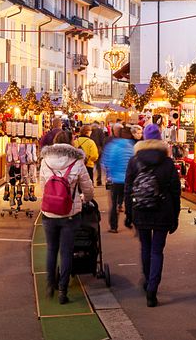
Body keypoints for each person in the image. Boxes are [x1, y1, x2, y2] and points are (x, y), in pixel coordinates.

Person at [124, 123, 180, 307]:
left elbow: (128, 188)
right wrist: (175, 215)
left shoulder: (135, 160)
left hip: (141, 210)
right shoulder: (167, 162)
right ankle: (152, 290)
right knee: (157, 251)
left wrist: (129, 213)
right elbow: (175, 191)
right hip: (163, 211)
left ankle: (147, 280)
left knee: (145, 248)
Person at [39, 130, 94, 304]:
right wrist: (87, 199)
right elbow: (87, 187)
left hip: (49, 212)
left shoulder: (45, 161)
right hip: (70, 213)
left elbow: (42, 185)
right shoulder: (77, 161)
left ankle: (50, 284)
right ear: (71, 142)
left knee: (51, 249)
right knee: (66, 251)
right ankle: (63, 290)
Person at [102, 125, 135, 233]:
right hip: (129, 179)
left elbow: (106, 162)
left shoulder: (113, 146)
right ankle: (131, 220)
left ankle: (113, 226)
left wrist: (108, 174)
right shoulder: (132, 147)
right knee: (130, 202)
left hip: (116, 179)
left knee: (114, 203)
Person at [90, 121, 108, 186]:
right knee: (98, 166)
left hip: (90, 149)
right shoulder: (100, 131)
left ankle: (91, 181)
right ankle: (99, 181)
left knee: (90, 166)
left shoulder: (90, 131)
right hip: (98, 149)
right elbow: (103, 140)